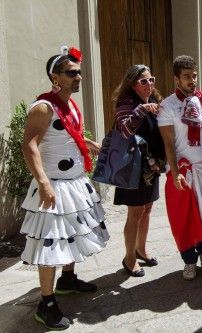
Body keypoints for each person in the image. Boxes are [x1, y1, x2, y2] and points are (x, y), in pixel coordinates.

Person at [20, 46, 109, 330]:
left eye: (79, 72)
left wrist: (89, 144)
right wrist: (44, 183)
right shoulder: (43, 106)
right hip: (54, 186)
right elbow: (30, 145)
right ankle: (45, 304)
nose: (78, 77)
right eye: (71, 73)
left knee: (71, 234)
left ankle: (67, 280)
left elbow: (70, 133)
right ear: (55, 77)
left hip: (73, 182)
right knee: (51, 243)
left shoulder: (68, 104)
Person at [158, 55, 202, 280]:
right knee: (183, 218)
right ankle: (188, 261)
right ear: (177, 78)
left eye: (194, 75)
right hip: (181, 170)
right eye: (187, 76)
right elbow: (168, 142)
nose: (192, 80)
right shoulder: (167, 106)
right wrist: (175, 174)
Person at [113, 64, 165, 277]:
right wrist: (142, 110)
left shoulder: (153, 102)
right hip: (133, 168)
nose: (149, 85)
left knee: (147, 210)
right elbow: (125, 130)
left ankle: (141, 249)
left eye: (151, 80)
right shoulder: (126, 104)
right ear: (132, 84)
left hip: (151, 167)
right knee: (135, 212)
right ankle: (129, 258)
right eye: (144, 81)